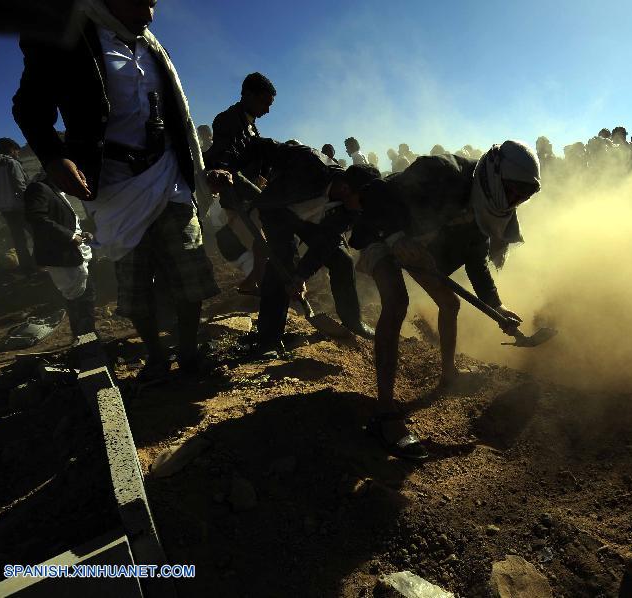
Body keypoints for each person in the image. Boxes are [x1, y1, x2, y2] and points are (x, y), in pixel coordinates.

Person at [13, 0, 228, 383]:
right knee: (135, 283)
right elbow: (29, 105)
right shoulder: (65, 33)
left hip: (167, 174)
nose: (149, 11)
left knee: (189, 272)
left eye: (154, 1)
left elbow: (179, 116)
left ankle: (190, 352)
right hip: (114, 184)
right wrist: (53, 157)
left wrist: (197, 169)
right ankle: (158, 358)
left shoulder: (150, 45)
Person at [348, 141, 541, 459]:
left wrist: (497, 306)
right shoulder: (441, 172)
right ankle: (384, 413)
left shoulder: (486, 205)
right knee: (397, 303)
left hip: (415, 244)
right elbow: (374, 194)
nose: (515, 201)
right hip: (379, 231)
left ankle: (448, 373)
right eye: (513, 191)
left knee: (450, 303)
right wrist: (396, 237)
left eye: (523, 196)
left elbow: (476, 260)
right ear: (495, 175)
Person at [221, 140, 377, 350]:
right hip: (277, 210)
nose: (363, 208)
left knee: (342, 260)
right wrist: (233, 172)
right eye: (363, 201)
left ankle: (352, 320)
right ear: (346, 188)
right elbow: (260, 146)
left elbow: (326, 242)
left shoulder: (350, 210)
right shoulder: (309, 162)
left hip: (310, 222)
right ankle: (268, 338)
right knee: (282, 262)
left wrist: (301, 275)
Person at [206, 72, 277, 296]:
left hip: (251, 197)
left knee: (265, 243)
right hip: (237, 198)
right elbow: (225, 161)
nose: (267, 110)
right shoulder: (228, 120)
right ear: (248, 95)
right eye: (264, 102)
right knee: (262, 243)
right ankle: (261, 286)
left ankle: (256, 282)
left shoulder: (251, 125)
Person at [24, 179, 96, 338]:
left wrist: (81, 234)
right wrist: (70, 236)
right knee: (79, 300)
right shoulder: (39, 188)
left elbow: (64, 221)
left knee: (84, 298)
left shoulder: (57, 191)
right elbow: (37, 218)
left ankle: (87, 340)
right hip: (62, 257)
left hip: (72, 254)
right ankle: (87, 343)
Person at [0, 138, 35, 273]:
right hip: (20, 207)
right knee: (38, 234)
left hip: (5, 210)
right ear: (12, 149)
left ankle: (26, 268)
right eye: (17, 151)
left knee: (18, 240)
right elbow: (20, 186)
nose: (18, 154)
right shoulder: (11, 163)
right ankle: (40, 263)